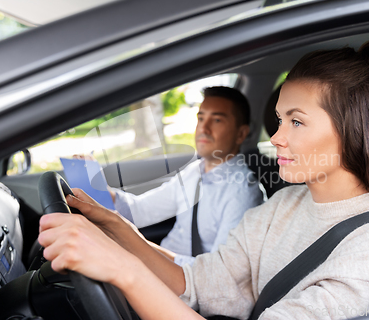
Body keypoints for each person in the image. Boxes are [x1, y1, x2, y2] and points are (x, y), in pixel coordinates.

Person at [38, 40, 369, 320]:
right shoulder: (285, 205)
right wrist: (118, 229)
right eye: (280, 119)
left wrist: (122, 269)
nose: (276, 137)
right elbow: (199, 281)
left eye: (297, 121)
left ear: (358, 131)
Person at [108, 86, 264, 265]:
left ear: (241, 134)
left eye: (217, 120)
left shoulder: (242, 193)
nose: (203, 128)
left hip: (184, 286)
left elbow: (219, 272)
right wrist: (98, 192)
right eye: (201, 118)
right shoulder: (194, 171)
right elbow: (139, 210)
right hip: (158, 269)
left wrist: (141, 249)